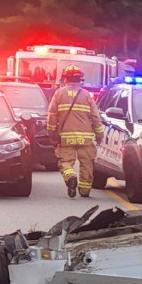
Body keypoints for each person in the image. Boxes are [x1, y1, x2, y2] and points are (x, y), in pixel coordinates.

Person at [46, 66, 101, 199]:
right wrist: (99, 134)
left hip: (66, 136)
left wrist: (51, 132)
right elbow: (95, 117)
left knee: (65, 161)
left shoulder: (59, 93)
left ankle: (70, 176)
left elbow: (52, 115)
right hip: (86, 137)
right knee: (87, 163)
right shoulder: (87, 95)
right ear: (80, 79)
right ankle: (85, 190)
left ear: (65, 78)